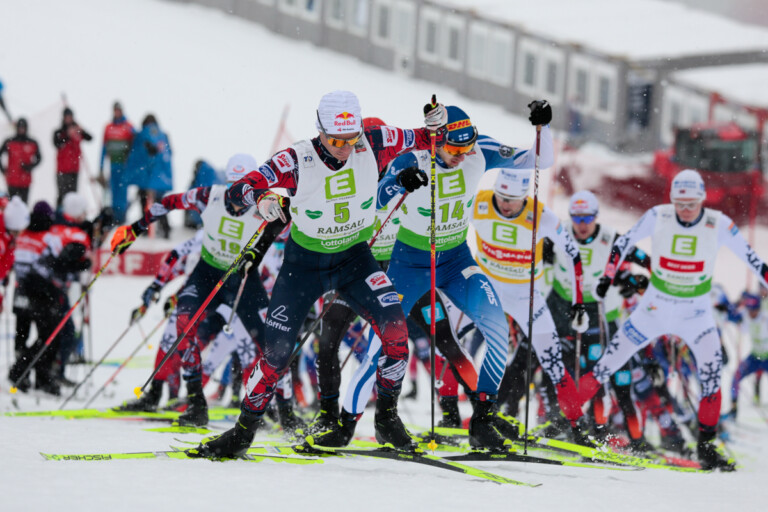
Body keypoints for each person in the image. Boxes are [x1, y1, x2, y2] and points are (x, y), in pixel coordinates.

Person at [185, 90, 446, 458]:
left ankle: (386, 417)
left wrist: (437, 122)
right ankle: (243, 432)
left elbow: (427, 136)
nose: (343, 148)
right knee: (275, 355)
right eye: (335, 140)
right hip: (303, 266)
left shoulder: (372, 141)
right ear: (320, 130)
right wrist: (262, 200)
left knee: (396, 334)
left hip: (355, 259)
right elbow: (245, 187)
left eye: (349, 139)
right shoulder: (297, 159)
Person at [329, 101, 556, 451]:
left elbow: (539, 161)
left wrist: (543, 129)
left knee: (497, 330)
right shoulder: (412, 156)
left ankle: (482, 421)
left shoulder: (480, 152)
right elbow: (373, 202)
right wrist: (399, 184)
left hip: (455, 260)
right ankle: (346, 425)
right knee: (381, 344)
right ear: (436, 139)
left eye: (467, 149)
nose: (462, 157)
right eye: (454, 150)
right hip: (410, 263)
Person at [577, 169, 768, 471]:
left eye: (692, 204)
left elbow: (753, 260)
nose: (686, 210)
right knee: (607, 363)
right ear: (672, 200)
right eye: (680, 203)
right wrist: (607, 276)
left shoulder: (718, 224)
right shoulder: (658, 216)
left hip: (696, 314)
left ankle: (706, 445)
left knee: (712, 376)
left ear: (703, 200)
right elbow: (623, 243)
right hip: (654, 308)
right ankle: (571, 420)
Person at [110, 154, 286, 427]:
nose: (242, 196)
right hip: (207, 273)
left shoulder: (263, 204)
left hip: (242, 280)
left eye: (249, 188)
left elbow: (296, 230)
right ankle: (196, 404)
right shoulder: (209, 196)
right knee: (182, 322)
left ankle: (283, 411)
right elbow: (168, 203)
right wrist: (135, 228)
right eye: (235, 186)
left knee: (271, 344)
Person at [544, 190, 651, 447]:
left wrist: (648, 280)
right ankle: (572, 427)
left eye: (587, 217)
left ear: (596, 216)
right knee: (570, 371)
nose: (582, 224)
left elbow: (645, 261)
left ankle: (625, 437)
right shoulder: (560, 233)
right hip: (568, 307)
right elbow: (537, 250)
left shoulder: (611, 238)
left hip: (602, 315)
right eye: (577, 218)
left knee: (607, 379)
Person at [126, 114, 173, 237]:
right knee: (160, 204)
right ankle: (165, 229)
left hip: (145, 176)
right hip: (159, 178)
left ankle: (146, 229)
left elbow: (136, 155)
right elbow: (168, 155)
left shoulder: (142, 135)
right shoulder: (163, 135)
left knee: (144, 202)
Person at [729, 291, 768, 418]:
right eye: (749, 310)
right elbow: (731, 316)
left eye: (753, 310)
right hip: (755, 357)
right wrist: (738, 302)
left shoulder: (765, 317)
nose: (751, 313)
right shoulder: (746, 316)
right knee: (736, 377)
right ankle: (733, 410)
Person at [99, 102, 135, 223]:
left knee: (122, 191)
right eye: (115, 110)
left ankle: (122, 216)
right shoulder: (108, 128)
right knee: (113, 191)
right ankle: (114, 217)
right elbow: (103, 148)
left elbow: (135, 145)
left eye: (119, 110)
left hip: (125, 166)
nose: (117, 112)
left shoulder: (129, 126)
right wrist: (100, 167)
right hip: (113, 165)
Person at [53, 108, 93, 209]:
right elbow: (57, 143)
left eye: (70, 117)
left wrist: (81, 130)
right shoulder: (59, 132)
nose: (68, 119)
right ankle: (60, 216)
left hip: (74, 169)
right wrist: (67, 135)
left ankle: (71, 216)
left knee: (73, 195)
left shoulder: (77, 130)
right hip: (62, 169)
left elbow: (90, 138)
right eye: (66, 117)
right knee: (62, 195)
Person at [0, 118, 41, 203]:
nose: (21, 129)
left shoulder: (32, 142)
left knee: (24, 204)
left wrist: (30, 166)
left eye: (23, 127)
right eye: (20, 127)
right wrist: (3, 170)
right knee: (12, 204)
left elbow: (39, 158)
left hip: (25, 180)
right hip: (12, 179)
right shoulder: (10, 141)